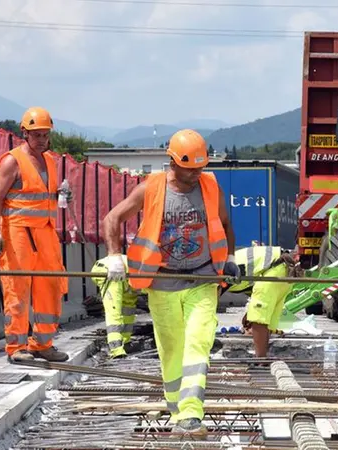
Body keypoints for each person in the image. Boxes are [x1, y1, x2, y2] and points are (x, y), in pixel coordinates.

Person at [100, 128, 239, 435]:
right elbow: (112, 219)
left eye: (200, 168)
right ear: (172, 163)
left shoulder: (210, 186)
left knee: (198, 342)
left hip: (201, 277)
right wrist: (114, 256)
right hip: (161, 281)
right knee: (172, 349)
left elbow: (226, 223)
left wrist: (229, 258)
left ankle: (191, 412)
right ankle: (176, 408)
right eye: (189, 169)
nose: (195, 175)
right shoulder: (151, 188)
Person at [0, 106, 70, 363]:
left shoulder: (50, 161)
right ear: (24, 133)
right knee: (17, 289)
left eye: (45, 134)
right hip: (17, 234)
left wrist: (63, 196)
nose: (42, 139)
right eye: (37, 135)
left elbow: (44, 197)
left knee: (50, 287)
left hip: (45, 233)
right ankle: (16, 347)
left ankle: (42, 344)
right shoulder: (12, 160)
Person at [224, 246, 300, 357]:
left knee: (259, 318)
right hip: (281, 268)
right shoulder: (223, 264)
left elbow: (209, 307)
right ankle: (263, 356)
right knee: (264, 321)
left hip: (275, 269)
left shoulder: (217, 272)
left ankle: (261, 360)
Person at [89, 255, 141, 359]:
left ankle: (125, 342)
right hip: (111, 271)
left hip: (127, 277)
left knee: (128, 309)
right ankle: (116, 349)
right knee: (114, 309)